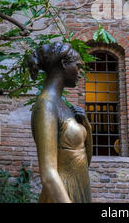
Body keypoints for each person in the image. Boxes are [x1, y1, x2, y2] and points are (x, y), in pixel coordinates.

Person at [29, 42, 93, 203]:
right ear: (64, 64)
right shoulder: (46, 105)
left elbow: (85, 160)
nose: (80, 73)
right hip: (61, 194)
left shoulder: (63, 105)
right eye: (78, 66)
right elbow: (48, 175)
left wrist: (87, 127)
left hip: (80, 186)